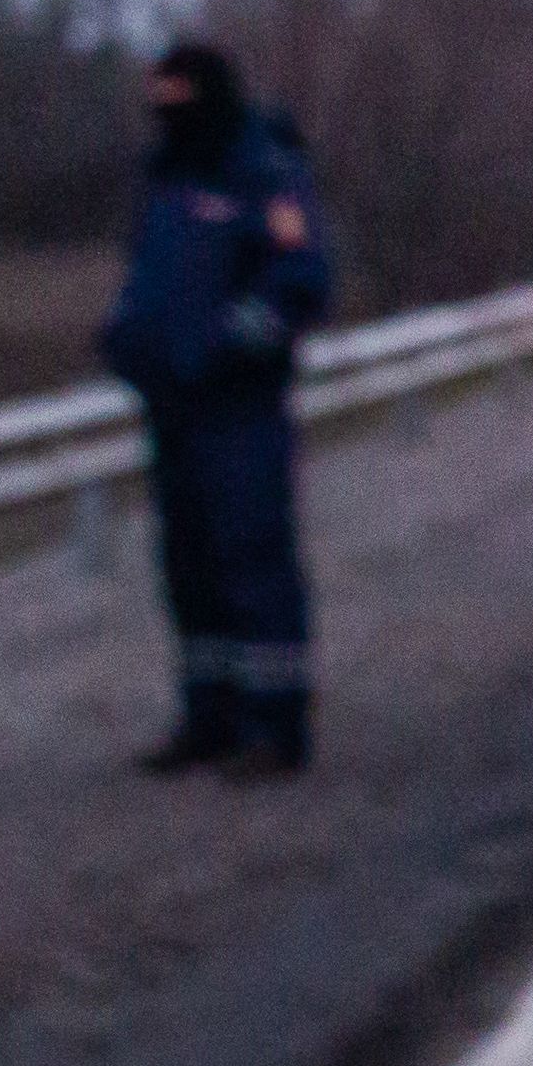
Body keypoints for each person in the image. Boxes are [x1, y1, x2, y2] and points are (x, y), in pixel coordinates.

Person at [99, 42, 333, 776]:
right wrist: (126, 340)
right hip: (173, 409)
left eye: (179, 95)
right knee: (189, 563)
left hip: (241, 410)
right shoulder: (167, 178)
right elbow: (149, 279)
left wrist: (232, 346)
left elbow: (300, 283)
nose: (168, 111)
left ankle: (274, 725)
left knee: (253, 558)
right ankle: (210, 715)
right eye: (157, 96)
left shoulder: (265, 174)